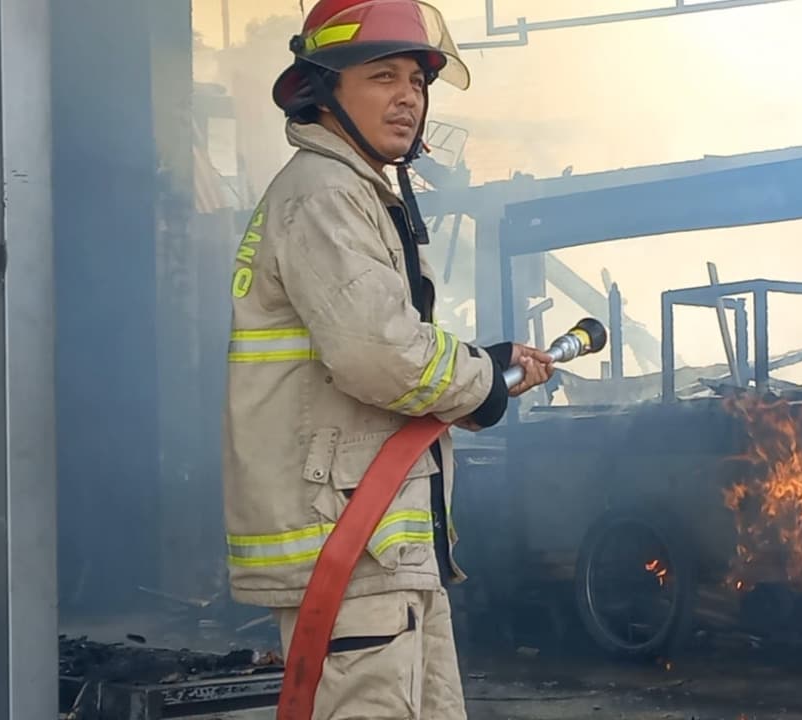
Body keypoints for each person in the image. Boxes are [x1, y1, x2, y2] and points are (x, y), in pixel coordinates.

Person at [220, 1, 552, 718]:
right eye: (382, 76)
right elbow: (379, 354)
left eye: (418, 80)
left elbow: (380, 339)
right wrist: (480, 385)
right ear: (324, 88)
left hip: (377, 550)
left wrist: (478, 369)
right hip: (350, 544)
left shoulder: (356, 190)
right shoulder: (325, 192)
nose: (409, 96)